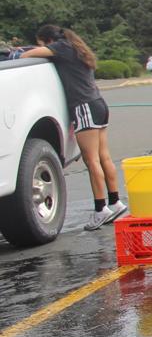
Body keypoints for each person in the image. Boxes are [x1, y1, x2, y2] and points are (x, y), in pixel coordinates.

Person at [22, 25, 126, 230]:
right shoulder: (75, 47)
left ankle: (101, 209)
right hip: (98, 103)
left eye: (41, 43)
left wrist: (25, 51)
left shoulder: (61, 47)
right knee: (103, 157)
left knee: (91, 160)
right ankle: (115, 202)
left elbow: (28, 55)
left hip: (84, 107)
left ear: (48, 41)